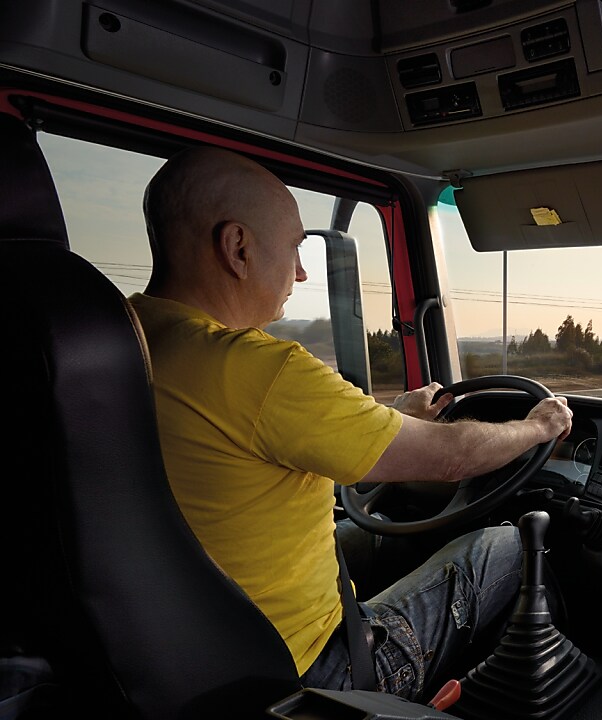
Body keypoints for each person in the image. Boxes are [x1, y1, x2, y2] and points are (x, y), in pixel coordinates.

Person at [127, 146, 573, 702]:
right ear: (237, 248)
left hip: (179, 655)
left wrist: (391, 420)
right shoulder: (258, 367)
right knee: (505, 547)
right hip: (311, 676)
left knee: (370, 527)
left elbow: (257, 450)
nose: (301, 270)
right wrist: (536, 426)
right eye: (293, 248)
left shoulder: (128, 339)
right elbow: (451, 457)